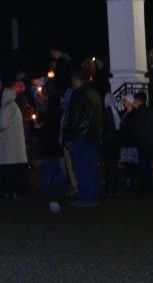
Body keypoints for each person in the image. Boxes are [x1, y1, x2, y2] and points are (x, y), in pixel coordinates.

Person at [63, 69, 102, 207]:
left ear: (76, 80)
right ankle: (92, 195)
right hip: (92, 136)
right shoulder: (94, 94)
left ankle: (86, 197)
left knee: (81, 167)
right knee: (91, 167)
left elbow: (74, 117)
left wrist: (67, 135)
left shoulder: (79, 95)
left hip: (80, 136)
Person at [0, 87, 27, 200]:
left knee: (8, 171)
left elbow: (3, 124)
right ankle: (14, 192)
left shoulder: (7, 107)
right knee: (14, 171)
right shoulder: (15, 107)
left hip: (8, 145)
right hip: (14, 145)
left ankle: (8, 192)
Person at [126, 92, 153, 194]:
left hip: (142, 142)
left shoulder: (140, 112)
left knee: (143, 166)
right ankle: (147, 188)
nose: (133, 102)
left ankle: (145, 189)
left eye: (134, 100)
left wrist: (126, 119)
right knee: (146, 166)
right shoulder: (149, 111)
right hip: (149, 142)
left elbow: (134, 125)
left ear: (138, 101)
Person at [101, 92, 121, 196]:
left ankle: (109, 187)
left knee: (108, 165)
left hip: (107, 142)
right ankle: (114, 187)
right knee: (114, 165)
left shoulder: (105, 112)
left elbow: (102, 127)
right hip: (115, 143)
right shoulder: (116, 111)